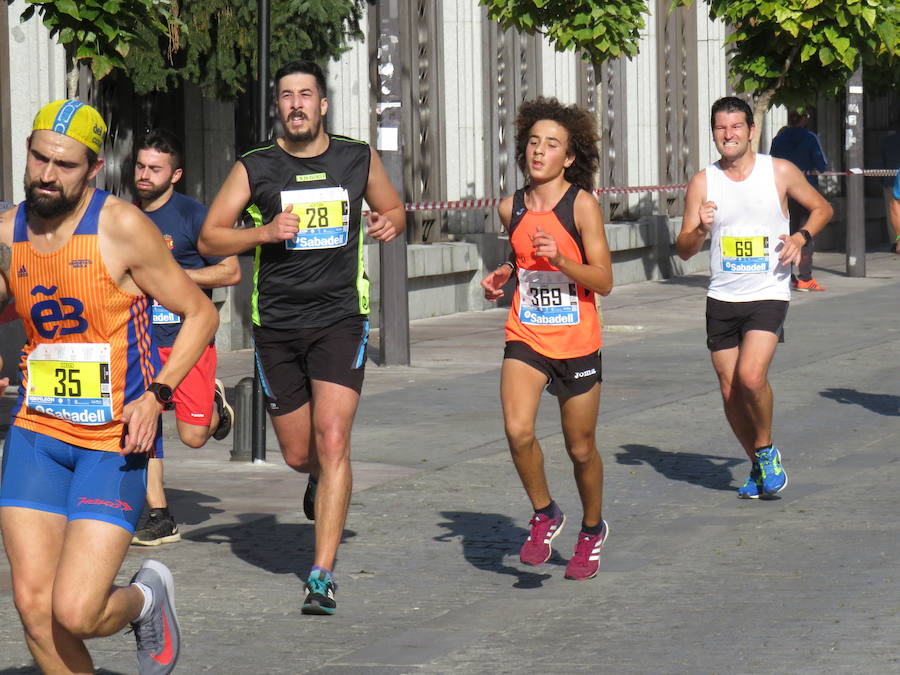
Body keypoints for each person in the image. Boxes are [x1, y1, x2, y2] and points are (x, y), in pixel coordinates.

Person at [0, 99, 218, 674]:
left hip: (112, 441)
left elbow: (199, 314)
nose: (47, 174)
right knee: (33, 609)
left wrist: (159, 394)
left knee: (76, 611)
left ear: (93, 169)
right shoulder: (6, 232)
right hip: (37, 434)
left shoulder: (121, 227)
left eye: (65, 165)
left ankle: (147, 598)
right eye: (39, 158)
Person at [198, 61, 404, 615]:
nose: (296, 104)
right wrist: (264, 232)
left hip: (340, 318)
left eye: (305, 95)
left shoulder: (356, 156)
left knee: (333, 439)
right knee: (298, 452)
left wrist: (391, 223)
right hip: (278, 326)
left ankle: (321, 574)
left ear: (323, 105)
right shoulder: (256, 167)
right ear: (278, 110)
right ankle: (316, 479)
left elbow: (393, 209)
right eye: (286, 96)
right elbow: (211, 235)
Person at [480, 98, 613, 580]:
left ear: (570, 157)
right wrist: (505, 273)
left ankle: (592, 530)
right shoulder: (508, 206)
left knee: (580, 449)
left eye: (551, 144)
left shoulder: (581, 205)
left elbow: (603, 280)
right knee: (517, 430)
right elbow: (521, 256)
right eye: (533, 142)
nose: (539, 151)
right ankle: (544, 512)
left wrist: (561, 261)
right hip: (527, 333)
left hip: (577, 341)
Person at [676, 96, 833, 499]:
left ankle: (765, 449)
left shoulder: (777, 170)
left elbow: (821, 208)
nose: (728, 135)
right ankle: (759, 461)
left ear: (751, 131)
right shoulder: (703, 181)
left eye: (735, 127)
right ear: (713, 133)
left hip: (768, 291)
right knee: (729, 389)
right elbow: (684, 248)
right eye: (720, 128)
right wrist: (700, 227)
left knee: (750, 377)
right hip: (722, 296)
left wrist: (800, 236)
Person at [131, 129, 240, 546]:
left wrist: (174, 280)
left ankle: (212, 402)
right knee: (146, 418)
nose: (145, 174)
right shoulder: (126, 216)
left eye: (154, 169)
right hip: (141, 339)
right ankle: (158, 514)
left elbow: (230, 271)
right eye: (140, 166)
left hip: (187, 338)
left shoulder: (195, 216)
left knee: (194, 437)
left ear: (174, 175)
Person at [769, 108, 829, 291]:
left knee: (784, 234)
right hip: (805, 194)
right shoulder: (810, 138)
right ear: (804, 119)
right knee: (805, 234)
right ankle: (805, 278)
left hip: (783, 194)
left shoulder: (777, 140)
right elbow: (822, 166)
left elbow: (771, 163)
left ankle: (786, 276)